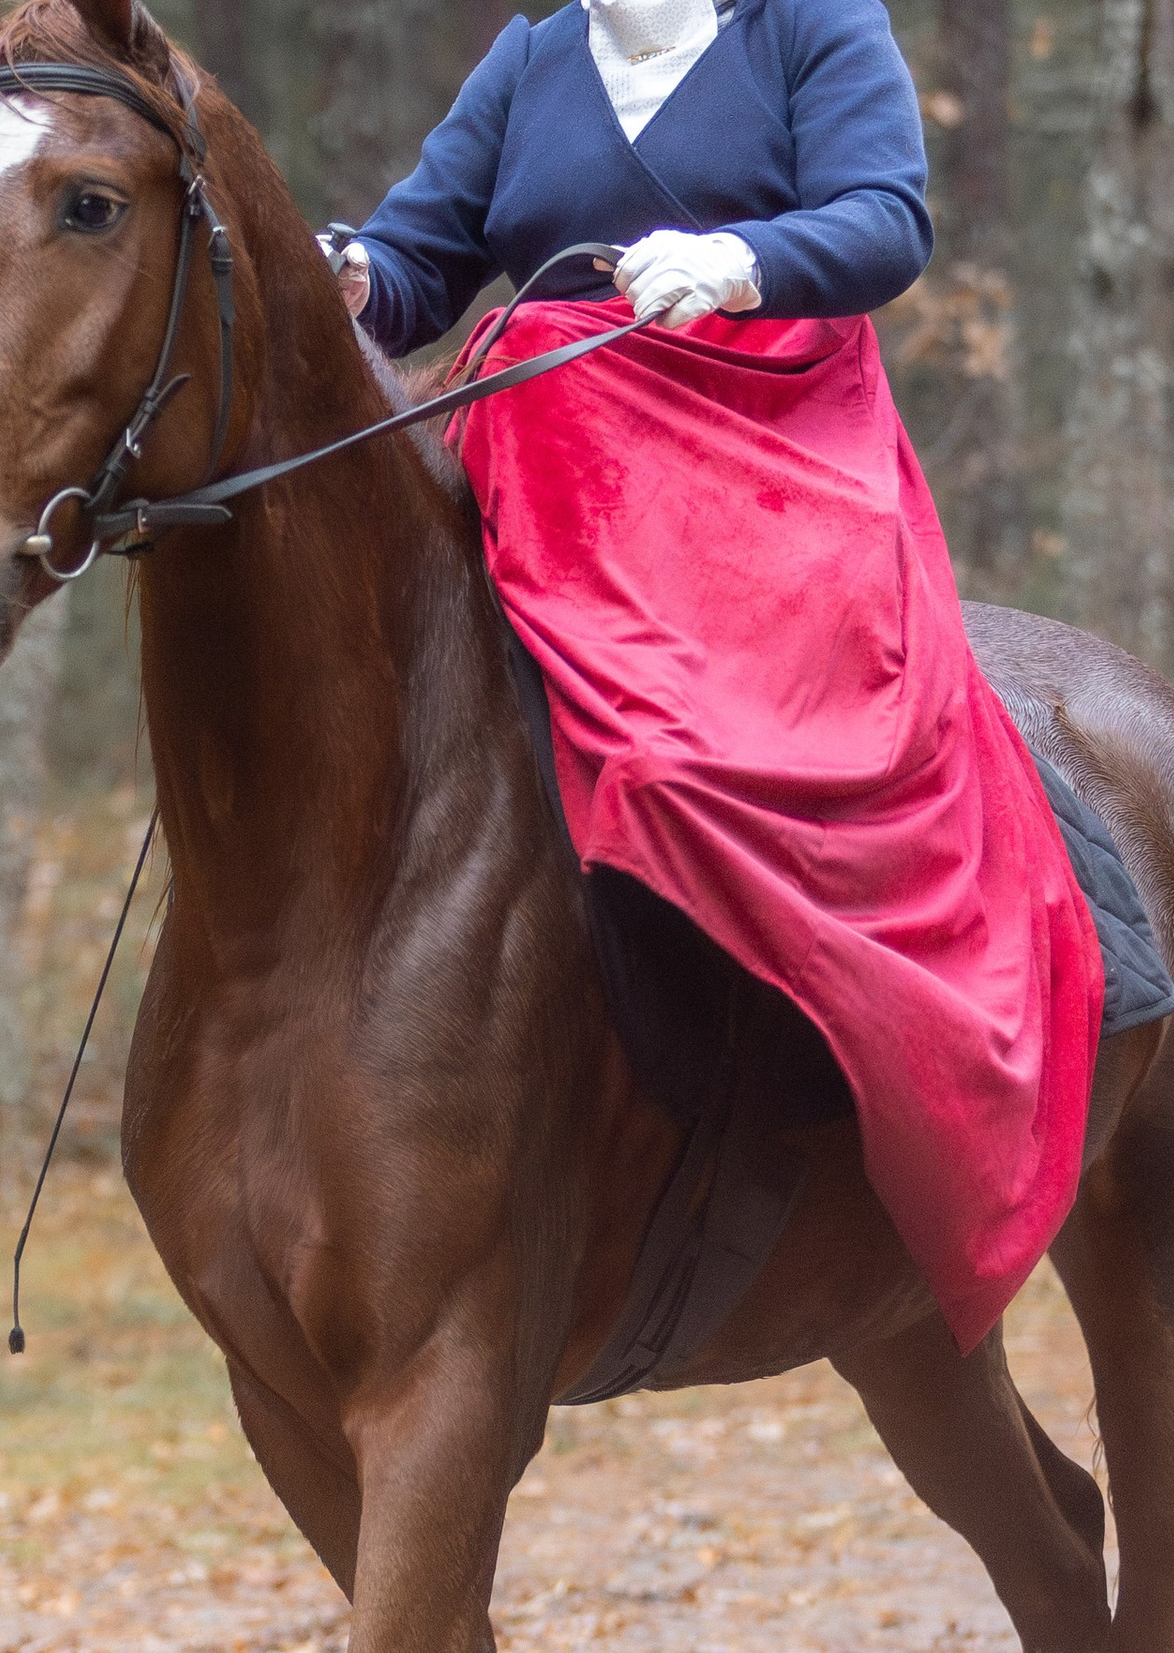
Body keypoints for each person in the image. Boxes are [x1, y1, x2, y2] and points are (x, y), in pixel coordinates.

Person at [326, 0, 1104, 1354]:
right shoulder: (532, 54)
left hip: (764, 453)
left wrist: (746, 258)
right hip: (553, 465)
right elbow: (419, 256)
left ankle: (801, 1078)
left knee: (682, 758)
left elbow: (886, 222)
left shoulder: (814, 26)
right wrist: (347, 279)